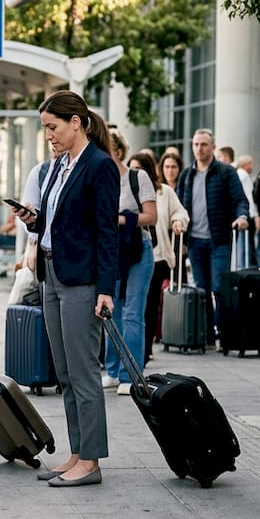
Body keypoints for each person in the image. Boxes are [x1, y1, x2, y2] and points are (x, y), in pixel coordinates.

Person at [12, 90, 119, 487]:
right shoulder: (59, 165)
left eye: (53, 127)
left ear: (76, 122)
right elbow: (58, 221)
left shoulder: (100, 166)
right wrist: (33, 220)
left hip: (82, 281)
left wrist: (106, 289)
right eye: (45, 129)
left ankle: (91, 462)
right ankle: (77, 452)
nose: (49, 136)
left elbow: (107, 233)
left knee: (84, 371)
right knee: (65, 374)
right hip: (51, 273)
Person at [175, 129, 250, 346]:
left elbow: (239, 200)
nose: (200, 148)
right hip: (195, 241)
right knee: (202, 289)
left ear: (213, 147)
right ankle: (207, 335)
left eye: (204, 144)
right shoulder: (186, 175)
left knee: (219, 287)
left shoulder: (226, 172)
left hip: (219, 240)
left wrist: (242, 217)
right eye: (196, 144)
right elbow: (179, 206)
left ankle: (223, 333)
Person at [101, 130, 156, 396]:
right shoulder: (99, 180)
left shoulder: (137, 177)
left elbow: (151, 216)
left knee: (133, 313)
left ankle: (131, 374)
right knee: (111, 311)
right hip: (111, 252)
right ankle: (112, 370)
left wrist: (120, 219)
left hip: (137, 250)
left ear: (119, 152)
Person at [128, 151, 189, 364]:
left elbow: (180, 212)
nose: (136, 173)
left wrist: (178, 222)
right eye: (132, 168)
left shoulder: (164, 192)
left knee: (150, 306)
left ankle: (144, 352)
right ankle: (132, 353)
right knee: (134, 307)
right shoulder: (125, 190)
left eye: (140, 168)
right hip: (131, 256)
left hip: (158, 256)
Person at [234, 153, 260, 264]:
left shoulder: (236, 174)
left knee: (242, 243)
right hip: (246, 214)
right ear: (246, 164)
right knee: (246, 244)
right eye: (251, 164)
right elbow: (249, 197)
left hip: (239, 213)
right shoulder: (243, 175)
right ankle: (245, 266)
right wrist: (255, 215)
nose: (252, 167)